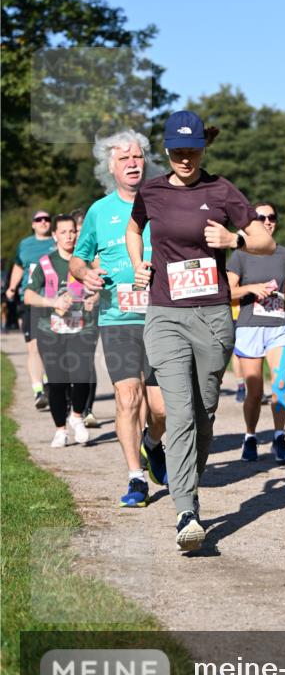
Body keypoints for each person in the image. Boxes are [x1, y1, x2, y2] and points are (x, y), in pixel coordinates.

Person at [127, 110, 274, 551]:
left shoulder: (221, 190)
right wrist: (138, 264)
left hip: (212, 315)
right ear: (166, 150)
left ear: (203, 149)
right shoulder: (151, 191)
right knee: (180, 411)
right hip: (165, 314)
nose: (185, 159)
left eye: (192, 150)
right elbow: (134, 229)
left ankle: (184, 478)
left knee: (205, 414)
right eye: (178, 152)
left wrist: (234, 241)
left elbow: (266, 241)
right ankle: (186, 510)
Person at [69, 130, 167, 508]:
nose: (132, 163)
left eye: (137, 156)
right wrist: (85, 274)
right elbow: (78, 259)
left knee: (162, 409)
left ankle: (152, 443)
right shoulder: (99, 211)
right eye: (123, 158)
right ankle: (135, 478)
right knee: (128, 397)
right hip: (118, 317)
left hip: (162, 315)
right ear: (110, 167)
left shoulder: (163, 202)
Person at [227, 201, 285, 463]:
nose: (267, 221)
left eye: (272, 217)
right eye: (261, 217)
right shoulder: (240, 255)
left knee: (280, 383)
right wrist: (250, 288)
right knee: (255, 391)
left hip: (280, 327)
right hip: (250, 328)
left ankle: (279, 437)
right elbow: (227, 292)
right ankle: (250, 436)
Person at [24, 215, 98, 446]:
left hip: (81, 329)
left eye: (72, 231)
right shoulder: (46, 263)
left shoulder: (86, 262)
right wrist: (52, 302)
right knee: (57, 383)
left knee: (83, 377)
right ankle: (61, 430)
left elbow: (101, 289)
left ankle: (76, 416)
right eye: (63, 232)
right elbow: (28, 295)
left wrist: (93, 299)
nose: (69, 236)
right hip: (51, 331)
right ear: (55, 235)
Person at [5, 210, 55, 409]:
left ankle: (51, 382)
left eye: (46, 219)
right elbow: (18, 266)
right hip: (30, 300)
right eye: (39, 219)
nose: (43, 222)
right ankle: (38, 391)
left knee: (51, 347)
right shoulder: (25, 245)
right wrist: (11, 287)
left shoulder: (57, 241)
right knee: (33, 347)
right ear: (33, 224)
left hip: (53, 301)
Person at [71, 208, 99, 428]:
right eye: (76, 230)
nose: (78, 234)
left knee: (86, 360)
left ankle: (87, 409)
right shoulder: (65, 255)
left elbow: (106, 280)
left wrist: (95, 297)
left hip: (89, 314)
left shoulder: (95, 252)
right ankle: (70, 403)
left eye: (82, 230)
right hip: (66, 316)